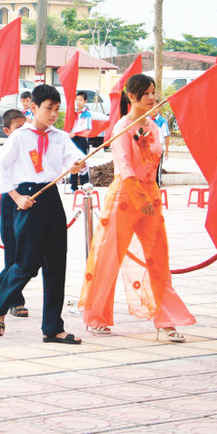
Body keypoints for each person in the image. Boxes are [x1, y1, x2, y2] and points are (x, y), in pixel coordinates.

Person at [79, 75, 194, 343]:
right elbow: (125, 167)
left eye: (154, 92)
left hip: (150, 199)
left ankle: (166, 320)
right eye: (146, 94)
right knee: (109, 258)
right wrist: (139, 195)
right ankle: (97, 316)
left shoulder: (153, 128)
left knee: (158, 260)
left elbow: (152, 166)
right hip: (125, 198)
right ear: (131, 96)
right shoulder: (121, 128)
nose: (152, 98)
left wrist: (150, 195)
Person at [0, 84, 85, 344]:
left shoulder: (61, 137)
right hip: (28, 198)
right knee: (27, 263)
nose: (53, 114)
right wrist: (17, 197)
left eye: (57, 109)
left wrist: (78, 165)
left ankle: (53, 327)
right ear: (33, 108)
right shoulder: (20, 137)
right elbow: (0, 169)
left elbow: (74, 160)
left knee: (56, 265)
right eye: (48, 108)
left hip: (51, 197)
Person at [0, 109, 29, 317]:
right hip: (11, 199)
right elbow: (0, 176)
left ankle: (1, 280)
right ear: (7, 131)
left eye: (26, 127)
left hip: (29, 198)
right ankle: (15, 299)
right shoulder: (9, 149)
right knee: (12, 250)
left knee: (29, 252)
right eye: (18, 128)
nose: (23, 132)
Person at [69, 91, 92, 193]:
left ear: (85, 101)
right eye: (77, 100)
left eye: (80, 100)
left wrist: (76, 133)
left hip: (81, 139)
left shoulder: (86, 114)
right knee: (72, 161)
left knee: (82, 161)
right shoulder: (72, 112)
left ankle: (84, 185)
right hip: (72, 139)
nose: (78, 102)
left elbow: (88, 129)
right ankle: (73, 186)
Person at [153, 111, 170, 186]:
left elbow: (166, 136)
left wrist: (167, 150)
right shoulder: (145, 119)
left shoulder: (162, 121)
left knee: (157, 168)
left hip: (158, 148)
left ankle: (157, 185)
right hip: (147, 147)